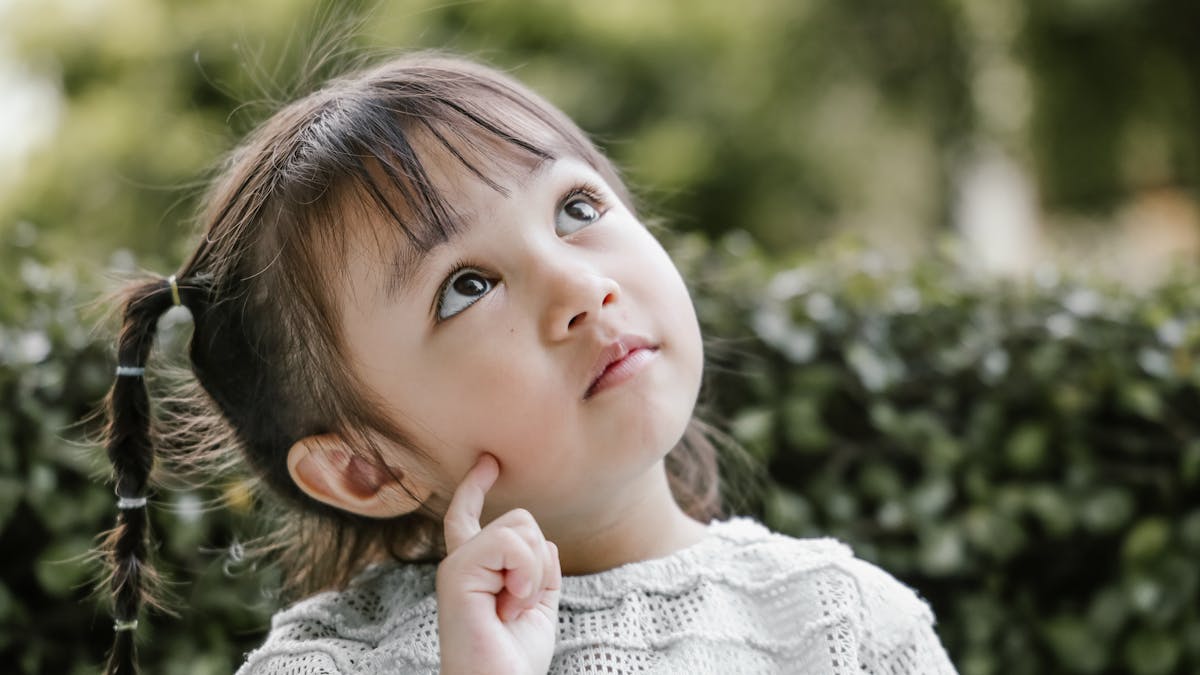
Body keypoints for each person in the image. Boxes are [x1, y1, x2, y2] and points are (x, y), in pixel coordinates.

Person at [95, 52, 957, 674]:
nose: (579, 285)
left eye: (577, 205)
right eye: (467, 287)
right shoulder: (328, 665)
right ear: (364, 468)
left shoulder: (845, 623)